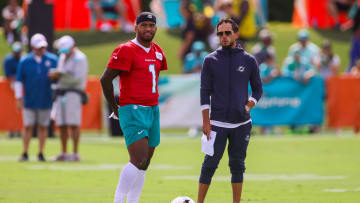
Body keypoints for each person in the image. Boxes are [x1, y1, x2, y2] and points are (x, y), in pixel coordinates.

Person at [100, 12, 168, 203]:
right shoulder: (126, 49)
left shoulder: (157, 50)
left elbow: (154, 75)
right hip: (133, 108)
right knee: (138, 159)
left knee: (145, 163)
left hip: (152, 109)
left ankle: (133, 201)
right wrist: (116, 107)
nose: (148, 29)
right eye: (144, 25)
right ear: (136, 27)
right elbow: (105, 79)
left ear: (156, 28)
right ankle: (118, 200)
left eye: (151, 25)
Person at [198, 18, 262, 203]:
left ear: (236, 34)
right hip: (216, 123)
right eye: (220, 33)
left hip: (241, 124)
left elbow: (258, 89)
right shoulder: (210, 60)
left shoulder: (249, 60)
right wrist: (205, 121)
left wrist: (249, 104)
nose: (223, 37)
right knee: (209, 165)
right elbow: (204, 92)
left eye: (227, 33)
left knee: (237, 165)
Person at [15, 33, 58, 161]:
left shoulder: (53, 59)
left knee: (43, 126)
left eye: (43, 47)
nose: (41, 49)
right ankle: (25, 152)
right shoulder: (25, 61)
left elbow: (59, 78)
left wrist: (56, 78)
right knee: (28, 126)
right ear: (33, 47)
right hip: (30, 99)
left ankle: (40, 152)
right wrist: (18, 98)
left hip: (46, 98)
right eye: (39, 47)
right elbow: (18, 81)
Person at [48, 35, 89, 162]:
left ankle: (75, 153)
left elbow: (77, 78)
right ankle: (64, 153)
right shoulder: (62, 56)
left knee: (74, 123)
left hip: (74, 93)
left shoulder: (80, 58)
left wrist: (59, 75)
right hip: (61, 93)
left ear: (72, 47)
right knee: (62, 124)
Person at [3, 41, 22, 138]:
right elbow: (9, 75)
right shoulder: (8, 60)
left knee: (20, 110)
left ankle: (20, 129)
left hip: (22, 87)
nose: (17, 54)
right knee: (11, 109)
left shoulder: (23, 60)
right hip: (10, 87)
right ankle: (11, 130)